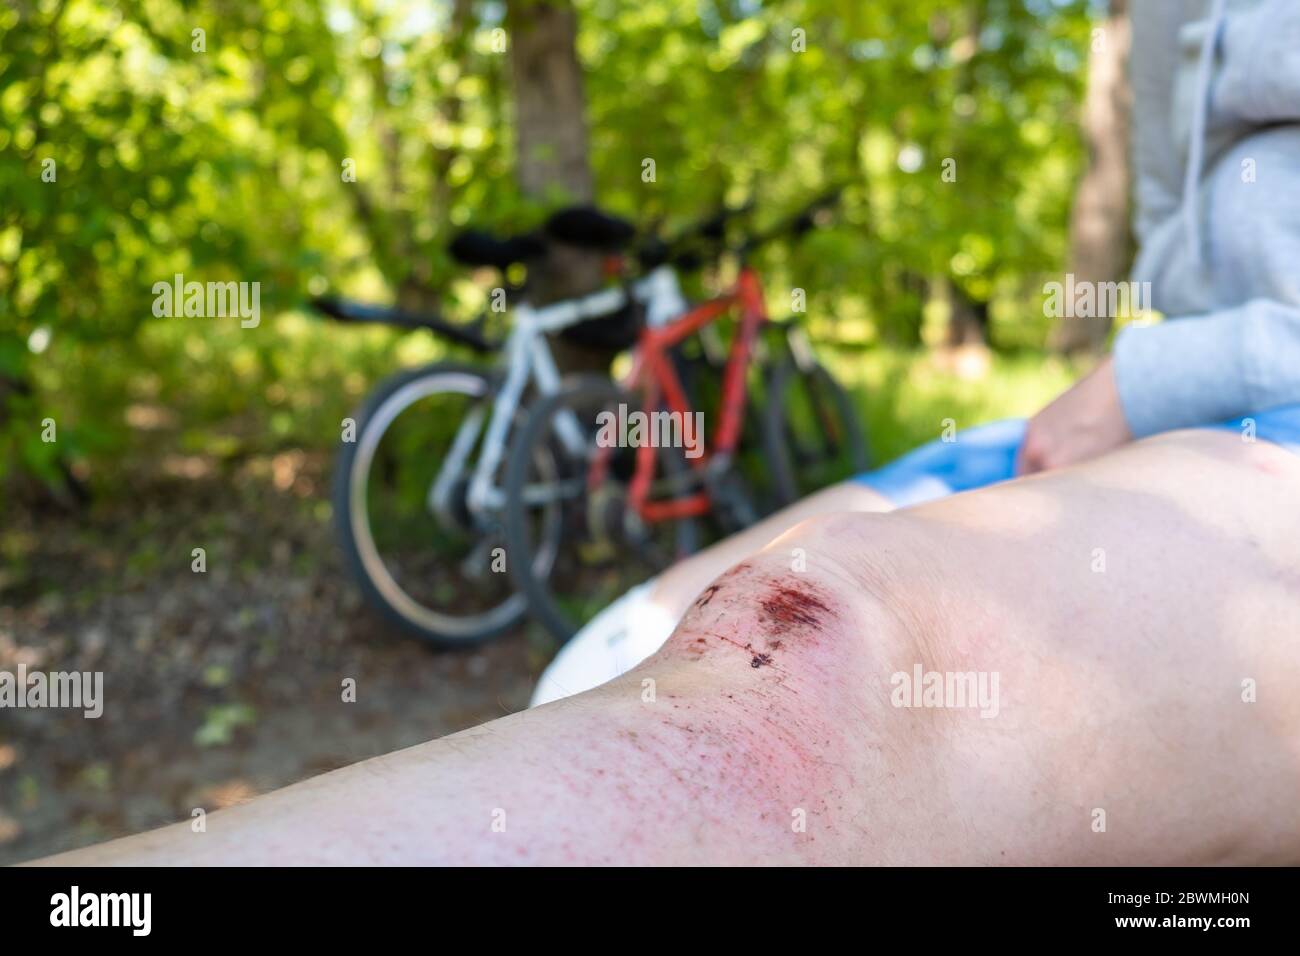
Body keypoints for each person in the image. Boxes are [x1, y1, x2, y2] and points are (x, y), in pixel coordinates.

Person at [31, 0, 1300, 866]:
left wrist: (1172, 368)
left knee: (810, 705)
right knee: (618, 650)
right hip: (1153, 400)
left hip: (1246, 399)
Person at [531, 0, 1300, 707]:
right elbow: (1172, 184)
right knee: (617, 652)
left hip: (1241, 409)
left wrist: (1146, 379)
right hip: (1190, 397)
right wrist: (1167, 369)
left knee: (867, 677)